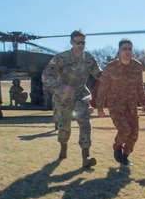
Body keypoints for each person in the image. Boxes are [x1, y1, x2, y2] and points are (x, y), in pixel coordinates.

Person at [42, 30, 102, 169]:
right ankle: (63, 148)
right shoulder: (60, 58)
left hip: (81, 95)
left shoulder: (88, 58)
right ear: (71, 42)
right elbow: (46, 76)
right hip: (64, 98)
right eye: (78, 42)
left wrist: (113, 74)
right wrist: (60, 86)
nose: (81, 45)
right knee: (64, 126)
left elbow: (99, 74)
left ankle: (85, 157)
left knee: (86, 124)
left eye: (83, 42)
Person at [95, 38, 145, 166]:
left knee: (134, 134)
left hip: (132, 105)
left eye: (130, 48)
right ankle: (117, 145)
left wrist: (143, 102)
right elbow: (103, 88)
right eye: (124, 49)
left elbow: (140, 86)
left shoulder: (137, 66)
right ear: (119, 50)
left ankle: (125, 156)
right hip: (116, 105)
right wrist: (100, 107)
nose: (127, 51)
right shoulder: (111, 67)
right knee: (125, 130)